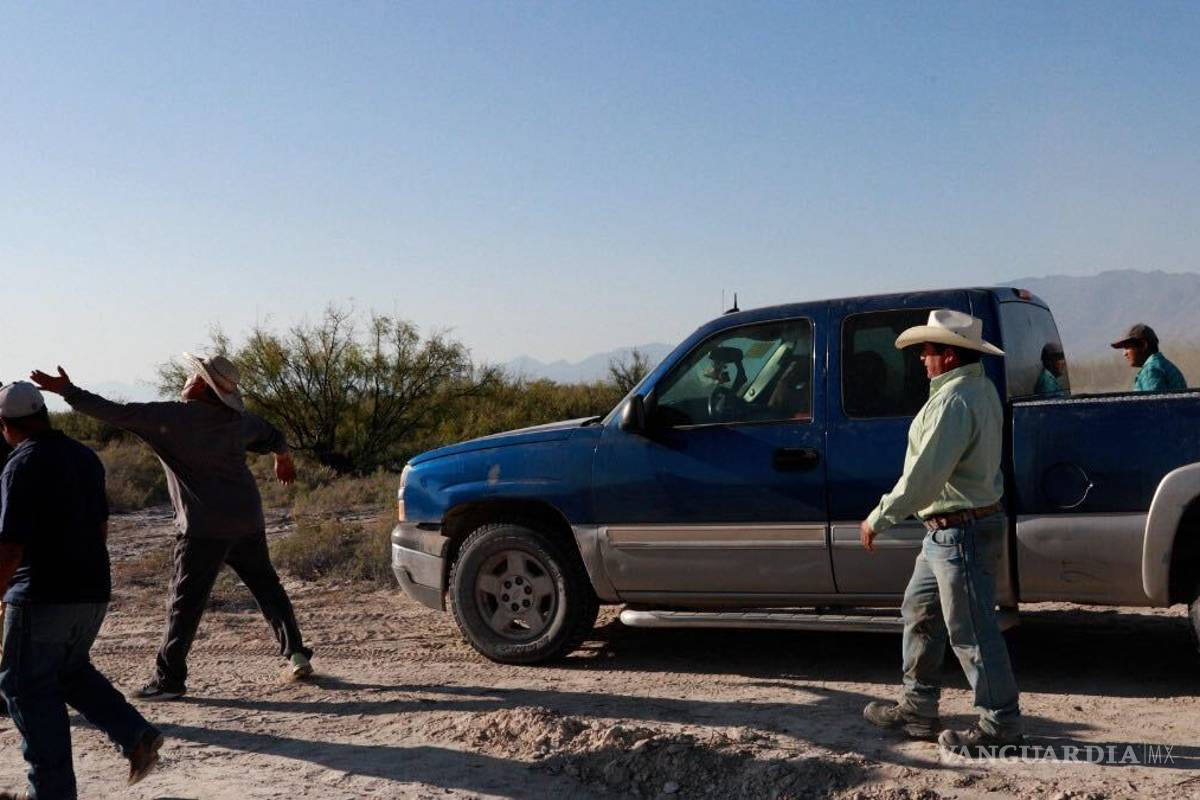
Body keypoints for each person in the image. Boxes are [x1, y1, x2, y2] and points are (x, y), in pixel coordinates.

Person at [31, 354, 313, 701]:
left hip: (204, 526)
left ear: (201, 386)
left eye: (192, 374)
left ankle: (169, 680)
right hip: (246, 518)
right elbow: (273, 435)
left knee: (185, 602)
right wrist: (282, 458)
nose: (187, 378)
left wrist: (69, 391)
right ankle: (296, 653)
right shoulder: (238, 420)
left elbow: (115, 412)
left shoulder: (173, 418)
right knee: (267, 586)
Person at [857, 309, 1022, 754]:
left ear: (948, 355)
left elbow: (925, 477)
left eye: (927, 351)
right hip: (952, 530)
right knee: (921, 611)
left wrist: (880, 516)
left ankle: (1000, 723)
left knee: (970, 629)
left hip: (957, 531)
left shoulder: (953, 401)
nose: (922, 359)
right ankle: (918, 708)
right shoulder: (977, 389)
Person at [0, 382, 163, 799]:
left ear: (6, 425)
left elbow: (11, 547)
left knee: (25, 688)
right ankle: (136, 735)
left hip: (40, 595)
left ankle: (53, 793)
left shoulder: (21, 464)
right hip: (92, 588)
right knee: (69, 671)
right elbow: (102, 527)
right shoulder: (83, 456)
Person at [1110, 324, 1186, 392]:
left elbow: (1152, 406)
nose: (1124, 353)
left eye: (1127, 347)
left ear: (1143, 345)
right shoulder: (1163, 365)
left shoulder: (1150, 370)